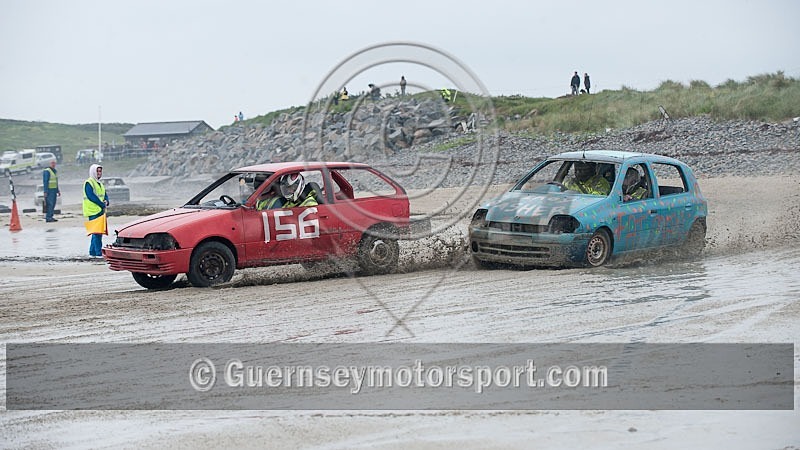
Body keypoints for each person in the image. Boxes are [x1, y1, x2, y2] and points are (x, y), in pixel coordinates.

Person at [83, 164, 109, 257]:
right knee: (96, 233)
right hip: (93, 211)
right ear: (93, 172)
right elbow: (91, 196)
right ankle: (98, 253)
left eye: (100, 171)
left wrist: (107, 201)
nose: (99, 173)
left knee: (98, 233)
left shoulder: (100, 183)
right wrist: (101, 204)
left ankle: (92, 253)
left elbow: (105, 195)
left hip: (100, 211)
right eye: (97, 171)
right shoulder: (89, 183)